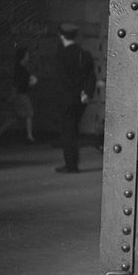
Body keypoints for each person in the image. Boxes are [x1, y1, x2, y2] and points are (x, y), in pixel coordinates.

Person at [54, 22, 96, 173]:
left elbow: (62, 79)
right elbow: (91, 77)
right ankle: (72, 162)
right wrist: (87, 93)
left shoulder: (61, 55)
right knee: (74, 129)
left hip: (66, 99)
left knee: (68, 132)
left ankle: (71, 164)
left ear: (61, 36)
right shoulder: (83, 54)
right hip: (81, 99)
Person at [0, 47, 37, 142]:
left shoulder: (19, 68)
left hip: (18, 94)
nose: (28, 56)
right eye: (27, 55)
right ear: (23, 56)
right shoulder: (21, 69)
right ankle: (29, 136)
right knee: (29, 114)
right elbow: (18, 83)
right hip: (21, 95)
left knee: (14, 117)